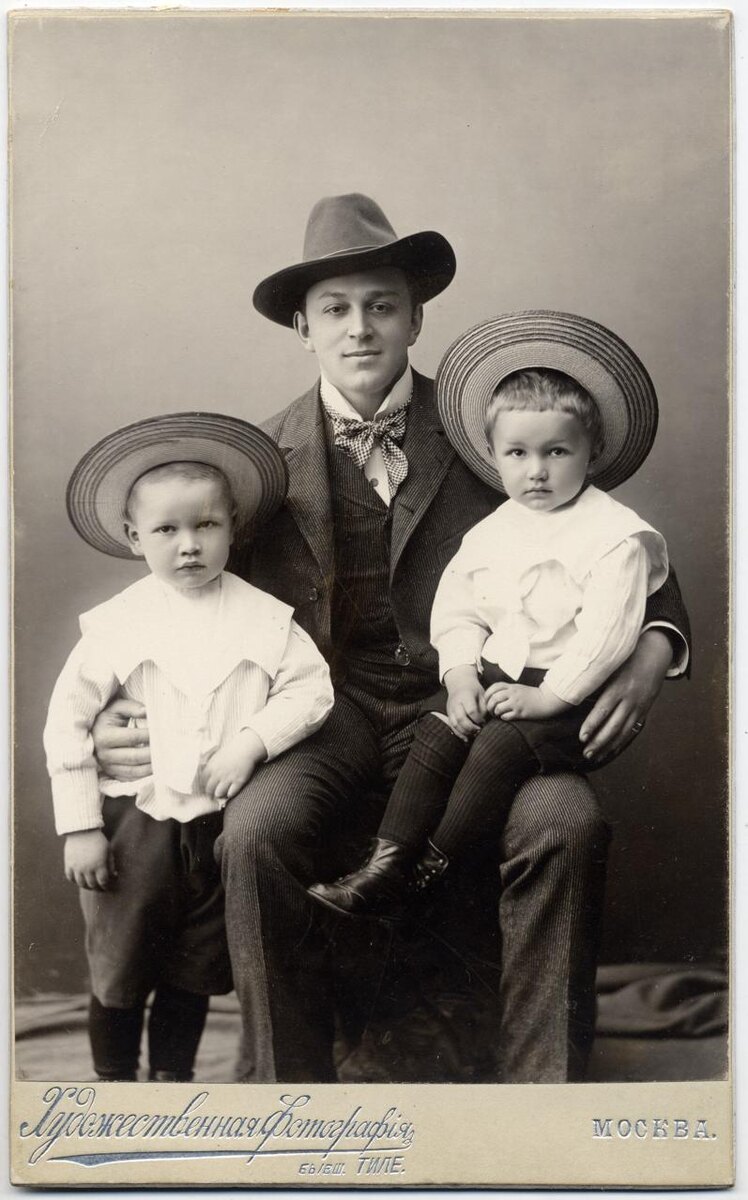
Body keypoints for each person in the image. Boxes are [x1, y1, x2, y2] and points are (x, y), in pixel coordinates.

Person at [92, 194, 690, 1084]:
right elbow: (177, 593)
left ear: (416, 318)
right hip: (320, 714)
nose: (360, 327)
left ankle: (547, 1099)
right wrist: (116, 709)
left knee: (564, 820)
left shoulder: (496, 429)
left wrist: (654, 648)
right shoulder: (258, 461)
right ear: (303, 327)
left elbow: (617, 544)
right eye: (335, 308)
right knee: (254, 830)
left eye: (382, 305)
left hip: (479, 705)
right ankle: (284, 1094)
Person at [307, 336, 670, 920]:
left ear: (593, 452)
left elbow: (607, 637)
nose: (537, 472)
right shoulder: (497, 526)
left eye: (558, 452)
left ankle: (430, 870)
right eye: (518, 454)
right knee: (440, 729)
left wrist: (551, 697)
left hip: (569, 693)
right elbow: (459, 607)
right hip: (496, 675)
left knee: (498, 745)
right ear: (494, 455)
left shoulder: (614, 537)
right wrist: (459, 675)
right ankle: (384, 865)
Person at [43, 412, 334, 1082]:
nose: (189, 546)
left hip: (215, 824)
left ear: (234, 526)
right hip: (134, 822)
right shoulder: (119, 623)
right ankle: (115, 1084)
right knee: (120, 964)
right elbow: (68, 721)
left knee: (194, 966)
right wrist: (81, 825)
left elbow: (311, 690)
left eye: (206, 525)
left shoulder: (263, 618)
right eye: (166, 530)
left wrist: (251, 743)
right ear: (133, 537)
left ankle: (173, 1079)